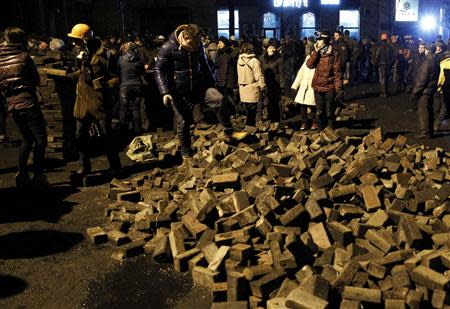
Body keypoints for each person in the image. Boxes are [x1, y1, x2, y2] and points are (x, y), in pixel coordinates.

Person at [154, 24, 233, 158]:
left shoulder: (198, 46)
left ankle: (229, 132)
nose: (197, 46)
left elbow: (205, 66)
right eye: (194, 43)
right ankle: (186, 153)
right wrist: (165, 92)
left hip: (198, 87)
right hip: (178, 91)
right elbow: (158, 70)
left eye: (199, 42)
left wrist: (213, 84)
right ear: (185, 38)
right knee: (183, 122)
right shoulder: (168, 48)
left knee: (218, 99)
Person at [66, 23, 121, 176]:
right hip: (82, 100)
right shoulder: (80, 53)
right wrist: (72, 75)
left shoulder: (105, 55)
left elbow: (115, 78)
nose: (74, 43)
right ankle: (84, 166)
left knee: (106, 136)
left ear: (84, 39)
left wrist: (104, 85)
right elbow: (82, 73)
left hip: (98, 101)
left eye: (76, 39)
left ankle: (115, 166)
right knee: (80, 136)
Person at [0, 27, 48, 190]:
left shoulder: (0, 58)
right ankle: (39, 175)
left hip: (12, 104)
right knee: (41, 139)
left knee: (27, 138)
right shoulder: (24, 56)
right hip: (27, 102)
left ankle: (21, 174)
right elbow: (35, 80)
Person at [306, 31, 343, 130]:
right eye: (317, 39)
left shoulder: (334, 53)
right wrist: (316, 52)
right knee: (319, 111)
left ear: (326, 40)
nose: (318, 41)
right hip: (317, 86)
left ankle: (331, 132)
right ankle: (320, 131)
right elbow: (309, 65)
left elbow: (337, 72)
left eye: (320, 39)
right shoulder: (316, 53)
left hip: (329, 87)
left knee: (329, 111)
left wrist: (338, 89)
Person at [411, 41, 443, 139]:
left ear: (427, 50)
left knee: (423, 111)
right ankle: (430, 131)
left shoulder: (427, 62)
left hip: (424, 91)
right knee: (429, 110)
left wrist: (415, 92)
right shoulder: (436, 62)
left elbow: (422, 80)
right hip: (431, 90)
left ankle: (425, 132)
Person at [118, 42, 145, 135]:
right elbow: (142, 72)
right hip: (137, 85)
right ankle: (137, 130)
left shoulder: (121, 59)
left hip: (124, 86)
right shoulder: (140, 60)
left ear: (126, 49)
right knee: (136, 109)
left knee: (123, 110)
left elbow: (117, 71)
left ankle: (122, 131)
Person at [237, 42, 265, 126]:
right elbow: (258, 75)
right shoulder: (254, 61)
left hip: (242, 88)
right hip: (252, 88)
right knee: (252, 111)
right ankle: (250, 128)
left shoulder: (239, 60)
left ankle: (248, 127)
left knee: (248, 110)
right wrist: (262, 86)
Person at [260, 39, 285, 123]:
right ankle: (269, 117)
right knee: (267, 101)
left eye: (274, 48)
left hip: (275, 84)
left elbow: (282, 73)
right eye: (270, 47)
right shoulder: (262, 58)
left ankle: (277, 119)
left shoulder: (279, 58)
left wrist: (282, 85)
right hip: (266, 82)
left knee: (276, 102)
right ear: (267, 49)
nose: (272, 49)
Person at [292, 51, 317, 130]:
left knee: (312, 106)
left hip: (312, 87)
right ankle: (304, 122)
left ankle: (314, 122)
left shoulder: (318, 61)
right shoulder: (307, 61)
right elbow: (301, 73)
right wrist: (295, 85)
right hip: (304, 86)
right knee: (303, 106)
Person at [215, 37, 237, 116]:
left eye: (221, 43)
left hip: (228, 79)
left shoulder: (230, 53)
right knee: (224, 97)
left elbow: (232, 68)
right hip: (221, 79)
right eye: (219, 43)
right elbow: (216, 64)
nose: (219, 44)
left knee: (229, 96)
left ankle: (233, 112)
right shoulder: (219, 53)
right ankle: (227, 112)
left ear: (225, 44)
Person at [374, 32, 394, 97]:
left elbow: (377, 55)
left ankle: (383, 92)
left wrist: (375, 63)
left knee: (382, 79)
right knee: (387, 78)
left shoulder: (379, 46)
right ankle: (386, 91)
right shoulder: (390, 47)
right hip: (388, 64)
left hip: (382, 64)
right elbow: (392, 56)